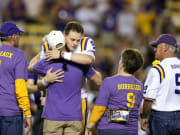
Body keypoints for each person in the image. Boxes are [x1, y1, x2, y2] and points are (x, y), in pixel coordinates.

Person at [28, 21, 102, 135]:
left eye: (78, 40)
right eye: (72, 39)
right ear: (64, 36)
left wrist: (61, 55)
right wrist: (42, 57)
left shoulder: (85, 43)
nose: (76, 43)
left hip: (79, 99)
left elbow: (89, 61)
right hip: (55, 102)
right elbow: (32, 68)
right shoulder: (50, 45)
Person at [85, 48, 144, 135]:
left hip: (109, 129)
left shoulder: (109, 81)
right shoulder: (140, 85)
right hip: (131, 129)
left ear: (122, 64)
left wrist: (89, 126)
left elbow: (100, 107)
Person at [141, 34, 180, 135]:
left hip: (161, 117)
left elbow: (149, 99)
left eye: (156, 47)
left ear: (165, 47)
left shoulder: (158, 69)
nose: (154, 50)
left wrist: (144, 116)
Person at [0, 21, 32, 135]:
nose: (19, 38)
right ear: (14, 36)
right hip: (11, 112)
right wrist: (27, 113)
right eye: (19, 35)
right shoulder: (19, 55)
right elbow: (20, 88)